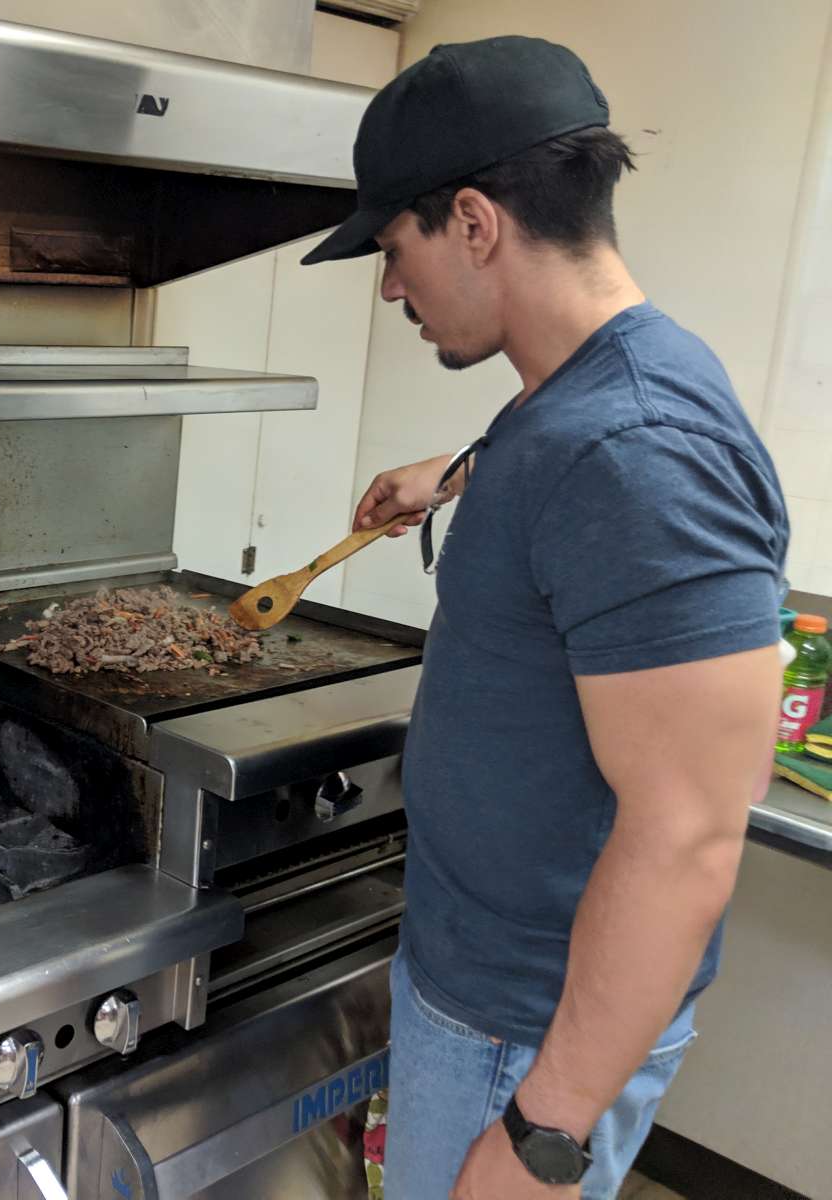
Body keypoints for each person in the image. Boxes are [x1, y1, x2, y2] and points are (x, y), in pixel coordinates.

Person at [301, 36, 788, 1200]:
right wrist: (452, 474)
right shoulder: (585, 394)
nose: (388, 286)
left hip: (522, 1042)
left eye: (393, 247)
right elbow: (575, 464)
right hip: (485, 997)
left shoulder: (633, 453)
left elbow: (687, 836)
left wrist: (540, 1136)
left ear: (473, 223)